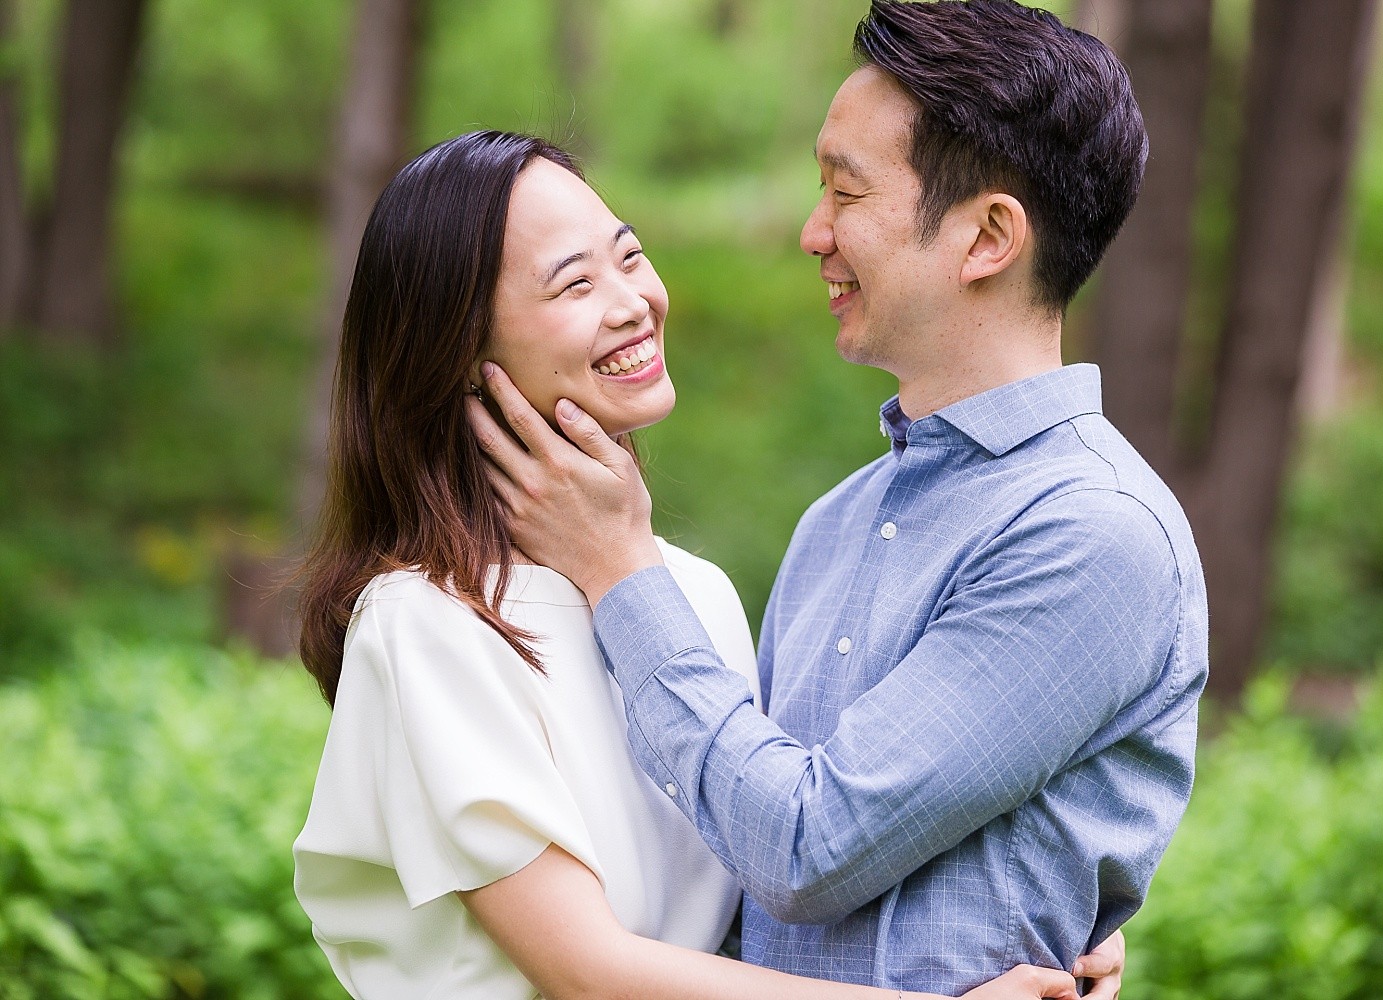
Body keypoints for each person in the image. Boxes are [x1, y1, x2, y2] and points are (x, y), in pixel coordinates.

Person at [464, 1, 1209, 996]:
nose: (813, 233)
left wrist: (619, 569)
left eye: (844, 191)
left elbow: (806, 846)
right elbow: (742, 864)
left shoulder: (1094, 531)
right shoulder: (838, 524)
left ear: (987, 237)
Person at [291, 130, 1120, 1000]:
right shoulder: (429, 618)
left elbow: (797, 857)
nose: (633, 302)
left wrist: (1045, 916)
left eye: (630, 257)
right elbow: (585, 971)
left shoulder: (687, 596)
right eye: (575, 283)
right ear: (456, 348)